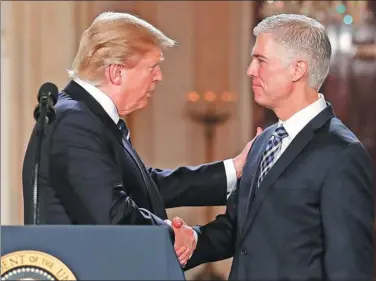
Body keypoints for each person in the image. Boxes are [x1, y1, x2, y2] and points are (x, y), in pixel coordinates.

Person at [21, 12, 260, 265]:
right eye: (152, 67)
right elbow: (112, 215)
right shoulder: (75, 122)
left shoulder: (89, 116)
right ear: (117, 72)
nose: (159, 76)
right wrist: (172, 234)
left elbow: (144, 186)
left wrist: (233, 170)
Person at [177, 14, 374, 280]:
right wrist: (193, 240)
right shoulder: (262, 142)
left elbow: (349, 267)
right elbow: (239, 229)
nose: (250, 70)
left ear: (297, 69)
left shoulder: (343, 154)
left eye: (261, 60)